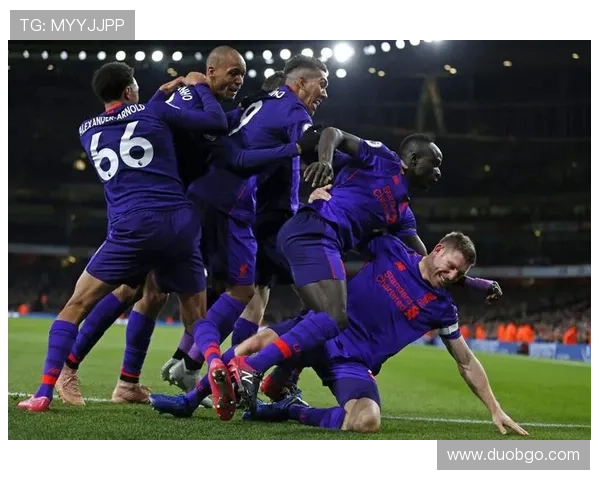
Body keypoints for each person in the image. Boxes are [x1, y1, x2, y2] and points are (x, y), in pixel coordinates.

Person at [16, 62, 227, 412]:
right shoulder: (154, 114)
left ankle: (44, 391)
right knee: (194, 315)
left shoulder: (86, 130)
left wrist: (157, 95)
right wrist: (199, 87)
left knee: (77, 305)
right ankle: (214, 363)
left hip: (131, 226)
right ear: (129, 90)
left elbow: (130, 119)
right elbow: (215, 123)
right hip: (179, 222)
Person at [228, 128, 442, 411]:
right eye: (434, 163)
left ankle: (263, 377)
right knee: (334, 317)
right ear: (413, 160)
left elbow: (426, 262)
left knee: (315, 320)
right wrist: (326, 163)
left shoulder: (402, 213)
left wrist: (470, 281)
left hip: (320, 242)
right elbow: (332, 132)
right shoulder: (383, 158)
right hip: (315, 233)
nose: (439, 172)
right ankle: (252, 368)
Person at [239, 232, 529, 436]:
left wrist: (495, 409)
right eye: (451, 267)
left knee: (367, 420)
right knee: (257, 343)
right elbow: (343, 232)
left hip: (352, 364)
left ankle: (290, 409)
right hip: (323, 332)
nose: (452, 276)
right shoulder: (390, 249)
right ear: (438, 249)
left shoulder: (443, 308)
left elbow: (466, 362)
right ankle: (236, 378)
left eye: (459, 274)